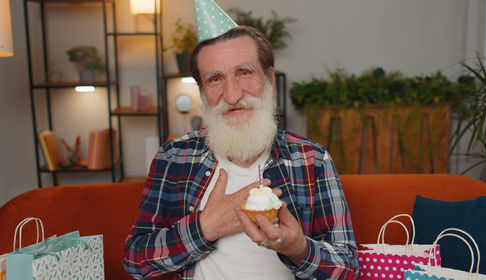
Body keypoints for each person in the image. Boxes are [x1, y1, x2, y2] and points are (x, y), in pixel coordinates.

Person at [123, 1, 359, 279]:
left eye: (244, 73)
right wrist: (205, 227)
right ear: (203, 92)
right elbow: (134, 260)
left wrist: (299, 248)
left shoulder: (312, 159)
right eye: (215, 79)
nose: (232, 95)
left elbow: (347, 270)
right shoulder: (173, 155)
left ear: (269, 78)